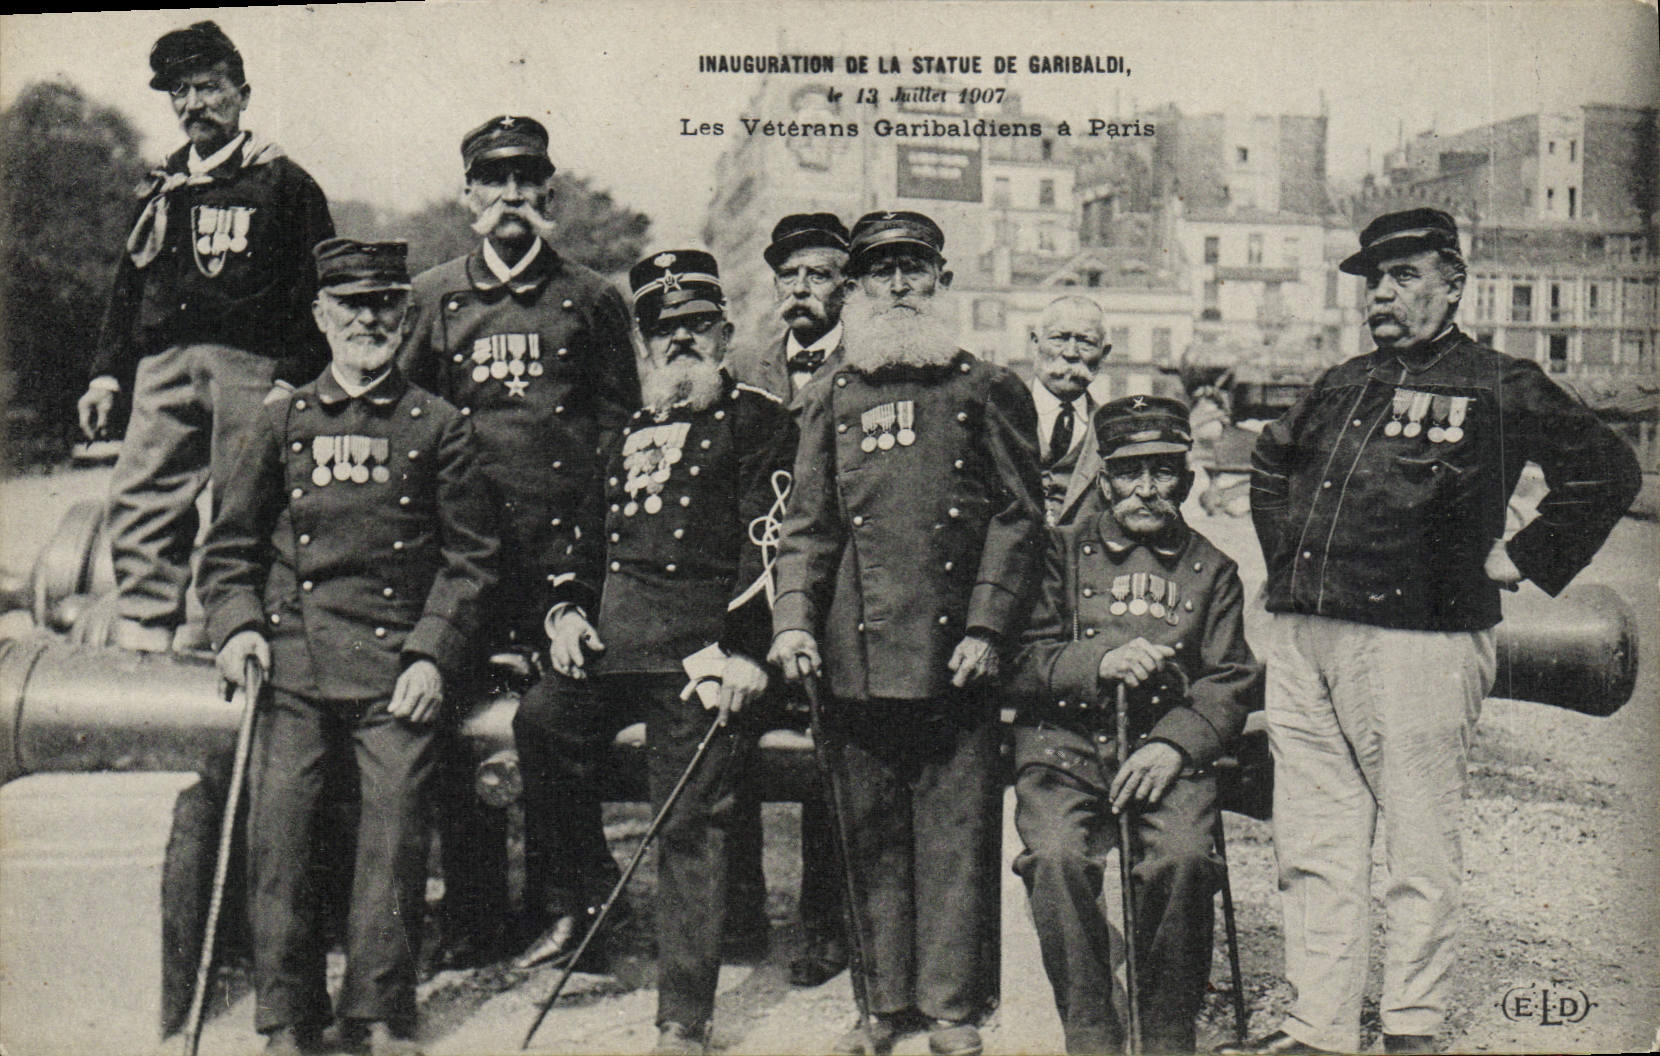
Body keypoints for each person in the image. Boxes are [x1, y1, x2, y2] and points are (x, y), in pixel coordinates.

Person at [1234, 207, 1641, 1055]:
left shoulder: (1500, 380)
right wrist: (1288, 563)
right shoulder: (1340, 382)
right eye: (1374, 280)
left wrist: (1523, 555)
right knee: (1316, 844)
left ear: (1455, 283)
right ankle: (1319, 1027)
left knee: (1419, 846)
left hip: (1420, 643)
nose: (1383, 292)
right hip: (1306, 638)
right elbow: (1269, 461)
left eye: (1406, 274)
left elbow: (1607, 469)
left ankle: (1412, 1026)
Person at [199, 238, 500, 1056]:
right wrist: (238, 628)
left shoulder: (440, 427)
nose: (368, 320)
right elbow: (229, 552)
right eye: (351, 305)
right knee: (282, 837)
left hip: (396, 669)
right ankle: (287, 1018)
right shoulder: (280, 423)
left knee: (395, 833)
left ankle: (377, 1011)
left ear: (405, 315)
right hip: (292, 665)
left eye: (383, 305)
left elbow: (470, 561)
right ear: (321, 316)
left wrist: (434, 655)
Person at [768, 210, 1046, 1056]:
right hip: (854, 650)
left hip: (957, 651)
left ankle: (952, 1009)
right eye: (879, 272)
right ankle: (883, 1005)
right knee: (870, 832)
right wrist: (793, 623)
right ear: (854, 290)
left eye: (913, 270)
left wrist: (988, 626)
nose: (897, 286)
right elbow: (808, 527)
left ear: (941, 282)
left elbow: (1018, 517)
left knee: (956, 834)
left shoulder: (985, 388)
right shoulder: (831, 397)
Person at [511, 250, 797, 1055]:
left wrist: (746, 651)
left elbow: (772, 548)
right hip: (617, 650)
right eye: (663, 330)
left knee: (689, 822)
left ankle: (683, 1016)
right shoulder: (624, 432)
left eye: (696, 326)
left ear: (724, 333)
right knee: (540, 723)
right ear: (643, 343)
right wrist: (566, 611)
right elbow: (583, 543)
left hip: (705, 652)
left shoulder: (763, 423)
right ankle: (593, 902)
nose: (680, 342)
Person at [399, 114, 641, 968]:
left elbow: (621, 436)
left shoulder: (593, 297)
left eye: (525, 181)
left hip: (562, 561)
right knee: (461, 727)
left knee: (548, 731)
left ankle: (564, 911)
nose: (510, 196)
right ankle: (470, 918)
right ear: (468, 196)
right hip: (464, 561)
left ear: (550, 195)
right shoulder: (433, 296)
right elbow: (410, 432)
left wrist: (595, 561)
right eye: (492, 180)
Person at [1009, 395, 1262, 1054]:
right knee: (1057, 860)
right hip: (1065, 750)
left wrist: (1176, 745)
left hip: (1164, 756)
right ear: (1106, 477)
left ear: (1183, 478)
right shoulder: (1057, 554)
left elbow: (1230, 679)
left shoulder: (1213, 569)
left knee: (1182, 859)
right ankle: (1091, 1032)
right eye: (1128, 472)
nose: (1146, 490)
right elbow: (1019, 658)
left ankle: (1166, 1032)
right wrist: (1098, 661)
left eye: (1162, 472)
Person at [78, 19, 335, 654]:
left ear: (242, 94)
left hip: (250, 369)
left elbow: (319, 293)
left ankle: (236, 635)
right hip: (163, 366)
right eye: (180, 92)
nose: (194, 104)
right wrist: (107, 372)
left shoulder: (285, 184)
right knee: (140, 496)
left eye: (210, 88)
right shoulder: (163, 185)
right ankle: (144, 633)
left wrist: (291, 377)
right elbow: (127, 287)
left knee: (244, 503)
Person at [724, 212, 854, 987]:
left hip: (836, 595)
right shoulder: (745, 365)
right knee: (724, 724)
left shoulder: (868, 367)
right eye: (790, 275)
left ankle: (825, 925)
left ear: (846, 285)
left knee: (831, 753)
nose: (802, 288)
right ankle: (739, 911)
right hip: (751, 589)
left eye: (819, 274)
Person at [1028, 295, 1110, 526]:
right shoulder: (996, 412)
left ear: (1104, 354)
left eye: (1086, 342)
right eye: (1059, 338)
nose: (1071, 353)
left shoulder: (1112, 431)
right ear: (1035, 343)